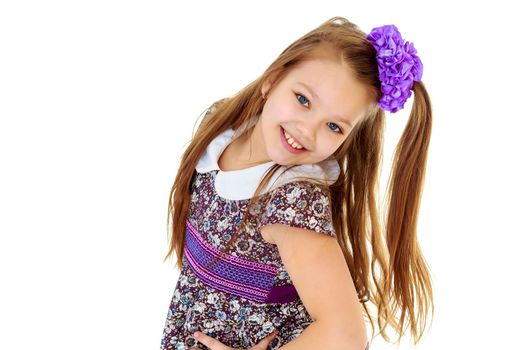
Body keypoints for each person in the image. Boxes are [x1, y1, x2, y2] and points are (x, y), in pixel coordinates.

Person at [160, 16, 433, 350]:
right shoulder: (222, 129)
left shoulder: (293, 202)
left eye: (334, 126)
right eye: (303, 100)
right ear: (272, 80)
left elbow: (345, 335)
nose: (307, 130)